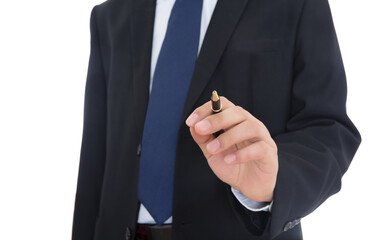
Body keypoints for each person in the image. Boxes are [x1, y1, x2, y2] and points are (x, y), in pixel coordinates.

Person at [72, 0, 361, 239]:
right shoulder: (110, 15)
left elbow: (328, 127)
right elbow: (95, 159)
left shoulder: (296, 4)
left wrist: (274, 180)